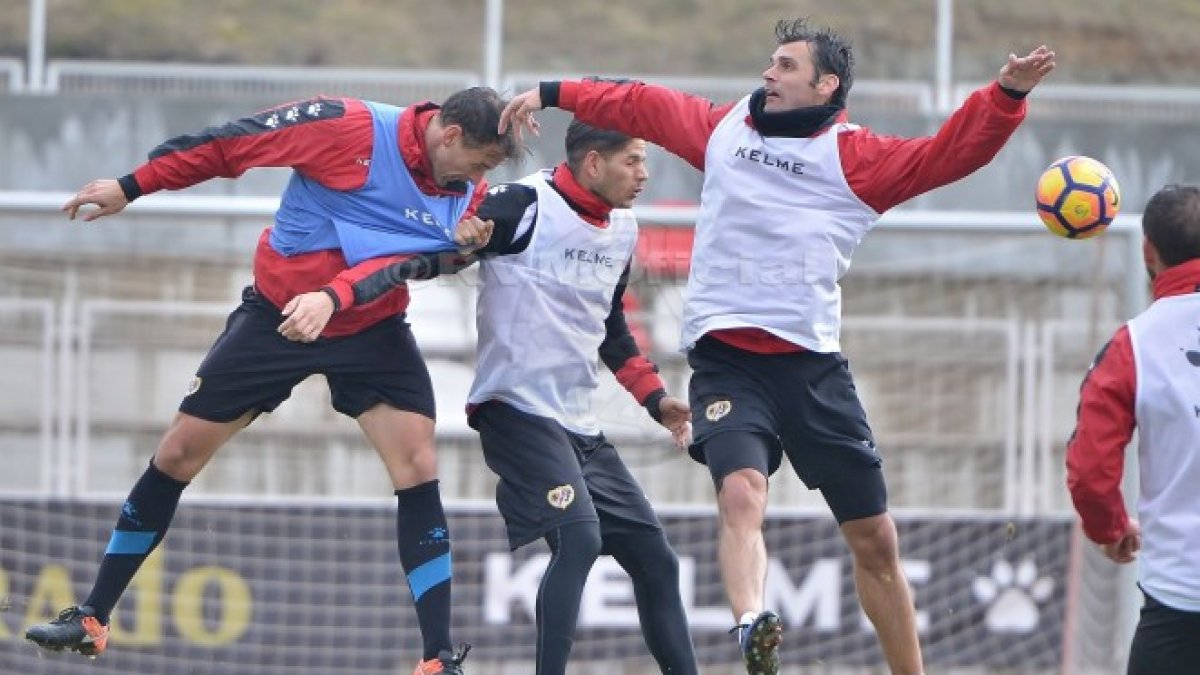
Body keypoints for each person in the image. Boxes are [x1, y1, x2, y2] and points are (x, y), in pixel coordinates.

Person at [498, 17, 1055, 675]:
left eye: (787, 66)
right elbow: (641, 102)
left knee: (876, 540)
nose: (769, 73)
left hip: (811, 368)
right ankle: (750, 623)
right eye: (770, 61)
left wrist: (1005, 98)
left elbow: (948, 154)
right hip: (727, 362)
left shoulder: (856, 159)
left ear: (826, 84)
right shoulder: (726, 129)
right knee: (740, 492)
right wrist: (552, 91)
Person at [25, 86, 521, 675]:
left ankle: (437, 658)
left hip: (370, 327)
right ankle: (92, 617)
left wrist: (457, 254)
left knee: (417, 464)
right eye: (482, 162)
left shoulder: (470, 197)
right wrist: (131, 186)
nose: (480, 179)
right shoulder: (348, 126)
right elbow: (229, 146)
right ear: (450, 136)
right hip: (276, 318)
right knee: (178, 454)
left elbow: (419, 262)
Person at [355, 119, 700, 675]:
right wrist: (457, 244)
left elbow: (610, 327)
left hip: (579, 426)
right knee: (579, 538)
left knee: (657, 560)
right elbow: (443, 256)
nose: (644, 173)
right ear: (593, 163)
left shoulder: (624, 229)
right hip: (513, 410)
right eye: (633, 160)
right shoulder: (523, 204)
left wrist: (657, 401)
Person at [1066, 184, 1200, 675]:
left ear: (1148, 251)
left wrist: (1109, 527)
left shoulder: (1133, 346)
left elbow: (1090, 467)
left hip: (1182, 602)